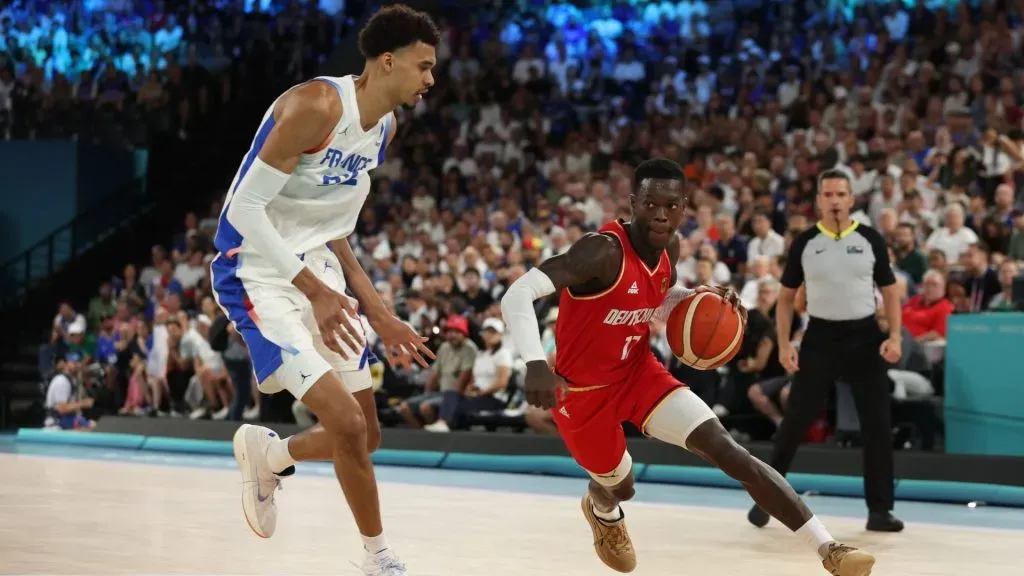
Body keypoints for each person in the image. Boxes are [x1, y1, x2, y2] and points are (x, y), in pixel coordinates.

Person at [501, 158, 875, 576]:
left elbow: (653, 293)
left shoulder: (670, 248)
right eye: (651, 204)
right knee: (621, 487)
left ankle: (829, 549)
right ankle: (602, 509)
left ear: (684, 208)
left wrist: (697, 299)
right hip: (580, 394)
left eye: (672, 205)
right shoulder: (600, 251)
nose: (661, 214)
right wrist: (534, 363)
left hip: (638, 373)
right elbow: (518, 293)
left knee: (728, 450)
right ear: (633, 203)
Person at [209, 5, 439, 575]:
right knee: (349, 425)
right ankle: (377, 558)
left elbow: (334, 232)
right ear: (388, 62)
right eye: (424, 66)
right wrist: (312, 290)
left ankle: (271, 454)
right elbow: (243, 209)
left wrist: (380, 313)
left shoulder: (383, 128)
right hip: (257, 271)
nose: (431, 80)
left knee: (368, 435)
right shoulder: (316, 106)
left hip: (319, 273)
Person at [748, 169, 905, 534]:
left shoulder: (870, 239)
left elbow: (891, 290)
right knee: (794, 422)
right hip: (819, 336)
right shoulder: (805, 242)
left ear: (851, 199)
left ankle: (879, 511)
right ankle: (766, 501)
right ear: (819, 200)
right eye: (828, 194)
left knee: (878, 425)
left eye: (841, 194)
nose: (835, 200)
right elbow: (786, 298)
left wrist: (894, 336)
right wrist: (786, 343)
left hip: (864, 335)